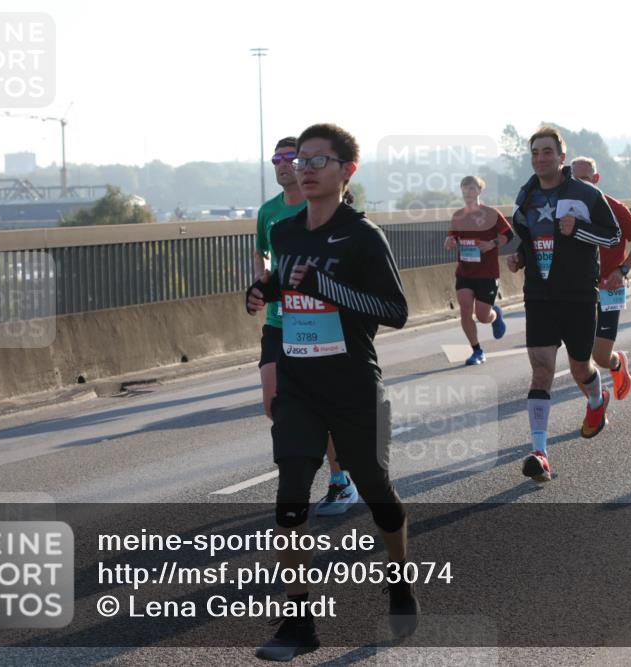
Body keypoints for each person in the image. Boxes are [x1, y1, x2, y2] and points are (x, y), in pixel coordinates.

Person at [246, 124, 418, 660]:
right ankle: (298, 624)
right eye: (302, 158)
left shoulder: (363, 236)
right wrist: (265, 289)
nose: (307, 167)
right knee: (290, 503)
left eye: (321, 159)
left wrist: (327, 288)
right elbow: (288, 281)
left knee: (377, 491)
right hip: (298, 384)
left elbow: (396, 312)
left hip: (351, 383)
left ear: (347, 171)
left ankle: (398, 579)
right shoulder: (286, 230)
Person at [507, 126, 621, 482]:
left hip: (578, 295)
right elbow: (528, 238)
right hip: (539, 296)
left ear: (562, 157)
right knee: (541, 371)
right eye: (535, 153)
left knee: (579, 368)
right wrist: (521, 258)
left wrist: (579, 230)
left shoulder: (584, 193)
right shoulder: (525, 196)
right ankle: (539, 452)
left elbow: (613, 235)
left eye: (547, 152)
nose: (541, 158)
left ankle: (595, 397)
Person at [254, 136, 359, 519]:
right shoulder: (268, 212)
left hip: (315, 320)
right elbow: (262, 253)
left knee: (317, 406)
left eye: (290, 158)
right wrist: (262, 286)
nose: (284, 164)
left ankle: (340, 478)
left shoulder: (326, 210)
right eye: (277, 159)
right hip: (278, 321)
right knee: (272, 402)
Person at [572, 156, 631, 401]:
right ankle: (595, 404)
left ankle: (618, 364)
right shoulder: (566, 209)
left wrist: (623, 270)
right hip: (578, 288)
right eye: (575, 180)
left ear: (596, 179)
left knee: (601, 357)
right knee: (579, 358)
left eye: (585, 179)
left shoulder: (614, 208)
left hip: (610, 286)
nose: (580, 185)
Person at [443, 175, 512, 365]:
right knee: (465, 309)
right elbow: (452, 237)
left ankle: (494, 314)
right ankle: (477, 351)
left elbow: (509, 235)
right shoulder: (458, 216)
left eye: (472, 188)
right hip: (465, 271)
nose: (468, 192)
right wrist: (449, 241)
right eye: (464, 189)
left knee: (482, 316)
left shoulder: (491, 214)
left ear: (479, 191)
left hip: (487, 272)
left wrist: (492, 244)